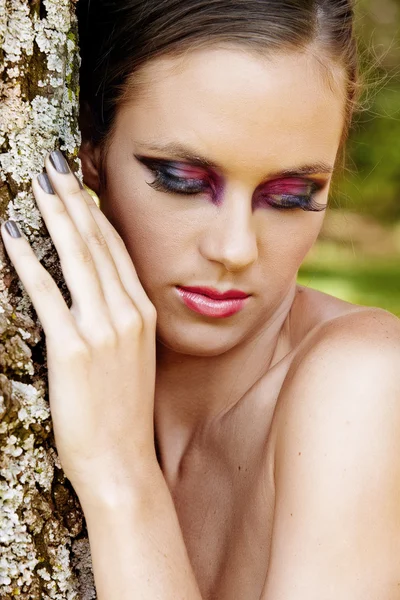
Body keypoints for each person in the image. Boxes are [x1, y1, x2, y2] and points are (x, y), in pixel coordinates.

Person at [2, 1, 400, 598]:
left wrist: (122, 476)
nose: (235, 248)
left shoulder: (365, 382)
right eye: (181, 180)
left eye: (292, 195)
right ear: (88, 155)